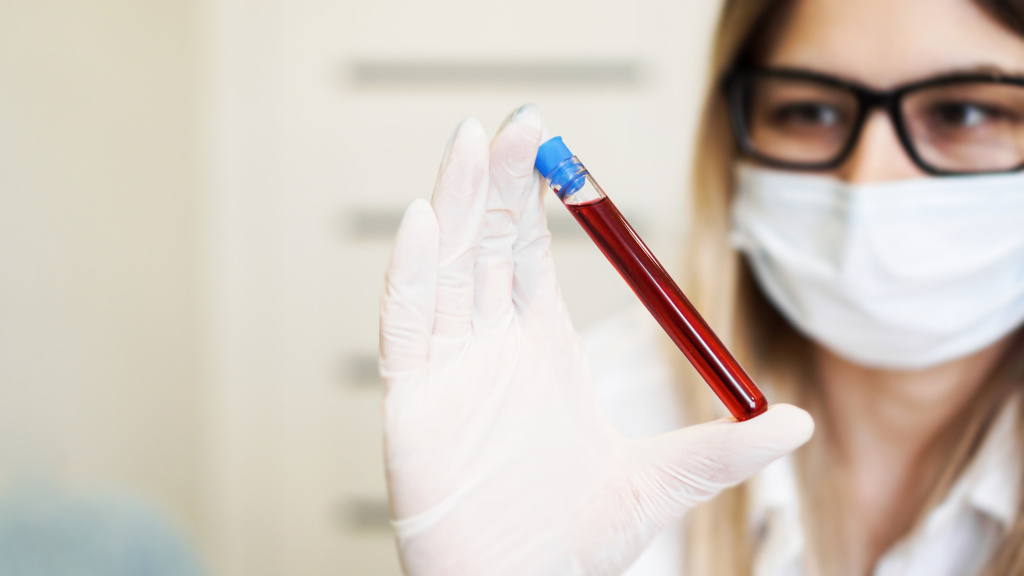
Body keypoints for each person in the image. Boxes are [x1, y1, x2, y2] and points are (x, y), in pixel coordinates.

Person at [378, 0, 1024, 574]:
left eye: (964, 111)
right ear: (733, 144)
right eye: (811, 109)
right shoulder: (602, 422)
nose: (869, 180)